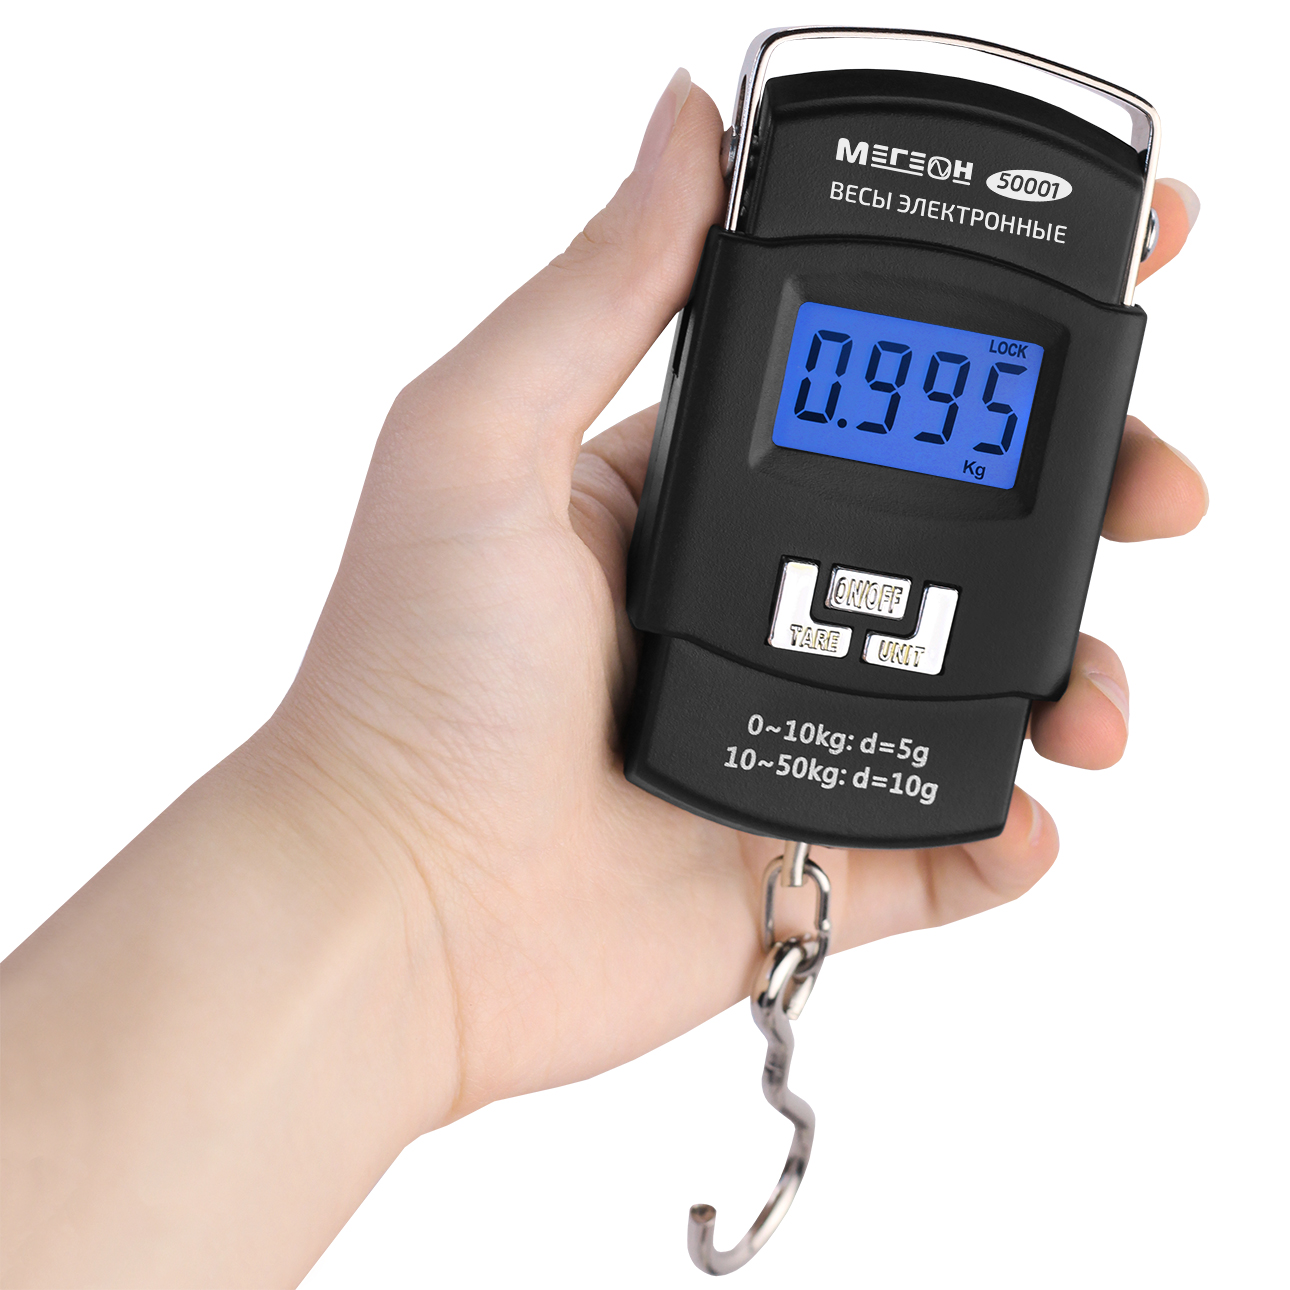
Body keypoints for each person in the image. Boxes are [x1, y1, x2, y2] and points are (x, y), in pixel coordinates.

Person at [0, 69, 1206, 1287]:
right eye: (847, 381)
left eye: (969, 403)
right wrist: (396, 847)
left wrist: (401, 899)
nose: (904, 416)